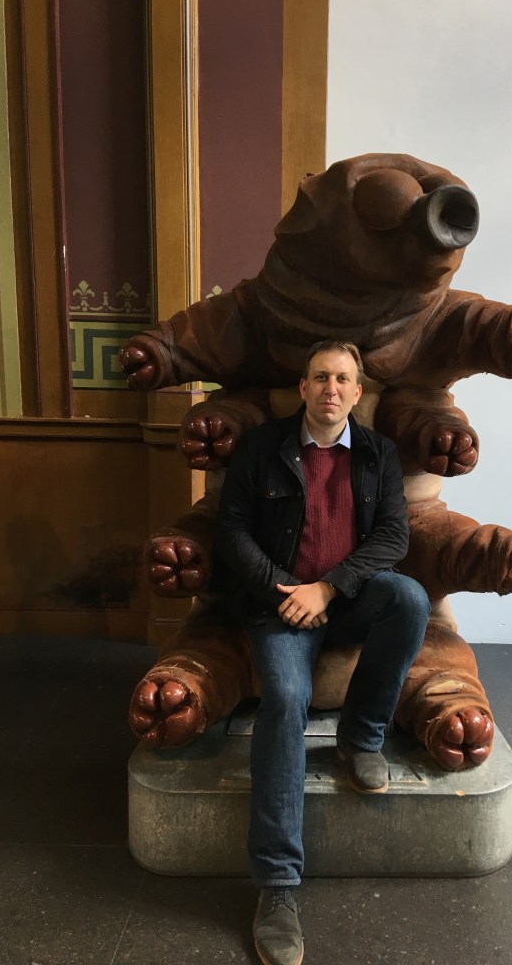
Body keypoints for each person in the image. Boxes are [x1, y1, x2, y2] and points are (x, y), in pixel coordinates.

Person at [214, 339, 430, 965]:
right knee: (285, 700)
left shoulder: (379, 454)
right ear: (303, 387)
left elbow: (393, 536)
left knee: (408, 598)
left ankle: (360, 739)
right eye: (320, 378)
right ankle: (277, 887)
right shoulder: (262, 448)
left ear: (357, 392)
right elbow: (232, 530)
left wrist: (329, 588)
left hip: (345, 596)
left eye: (342, 379)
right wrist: (285, 590)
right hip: (280, 601)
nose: (330, 389)